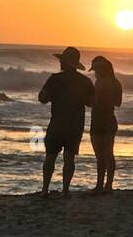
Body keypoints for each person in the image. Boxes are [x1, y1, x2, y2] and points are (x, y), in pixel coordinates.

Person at [38, 46, 94, 197]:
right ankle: (65, 190)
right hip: (75, 124)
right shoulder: (85, 82)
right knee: (69, 158)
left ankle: (45, 190)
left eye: (62, 61)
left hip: (57, 122)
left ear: (66, 63)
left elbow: (42, 99)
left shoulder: (55, 79)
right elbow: (91, 103)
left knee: (50, 156)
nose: (60, 63)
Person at [89, 55, 122, 193]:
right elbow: (118, 103)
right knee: (109, 154)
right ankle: (108, 185)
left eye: (96, 69)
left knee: (100, 156)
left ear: (101, 69)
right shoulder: (116, 83)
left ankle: (99, 185)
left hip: (98, 120)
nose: (95, 73)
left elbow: (94, 103)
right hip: (110, 119)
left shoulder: (99, 83)